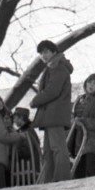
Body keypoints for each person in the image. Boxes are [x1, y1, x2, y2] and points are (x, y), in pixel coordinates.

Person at [30, 40, 73, 182]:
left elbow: (53, 91)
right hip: (50, 115)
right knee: (48, 151)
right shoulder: (52, 67)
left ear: (54, 51)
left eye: (46, 51)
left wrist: (35, 100)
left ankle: (62, 179)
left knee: (58, 148)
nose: (43, 55)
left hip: (55, 114)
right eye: (41, 53)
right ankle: (50, 181)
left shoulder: (58, 67)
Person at [71, 73, 95, 178]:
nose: (92, 85)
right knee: (78, 171)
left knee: (90, 170)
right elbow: (72, 117)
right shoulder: (79, 100)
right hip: (78, 140)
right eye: (89, 82)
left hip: (93, 141)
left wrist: (83, 121)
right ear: (85, 84)